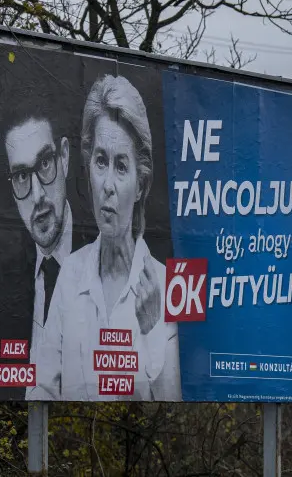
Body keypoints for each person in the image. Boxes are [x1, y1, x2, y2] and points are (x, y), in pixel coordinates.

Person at [31, 74, 182, 401]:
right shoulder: (70, 274)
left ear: (141, 185)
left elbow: (174, 406)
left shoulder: (168, 285)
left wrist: (153, 326)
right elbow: (40, 388)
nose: (108, 185)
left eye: (121, 166)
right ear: (88, 167)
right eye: (101, 161)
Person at [0, 96, 97, 398]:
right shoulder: (2, 287)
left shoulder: (107, 257)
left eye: (45, 163)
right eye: (22, 176)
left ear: (64, 157)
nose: (37, 195)